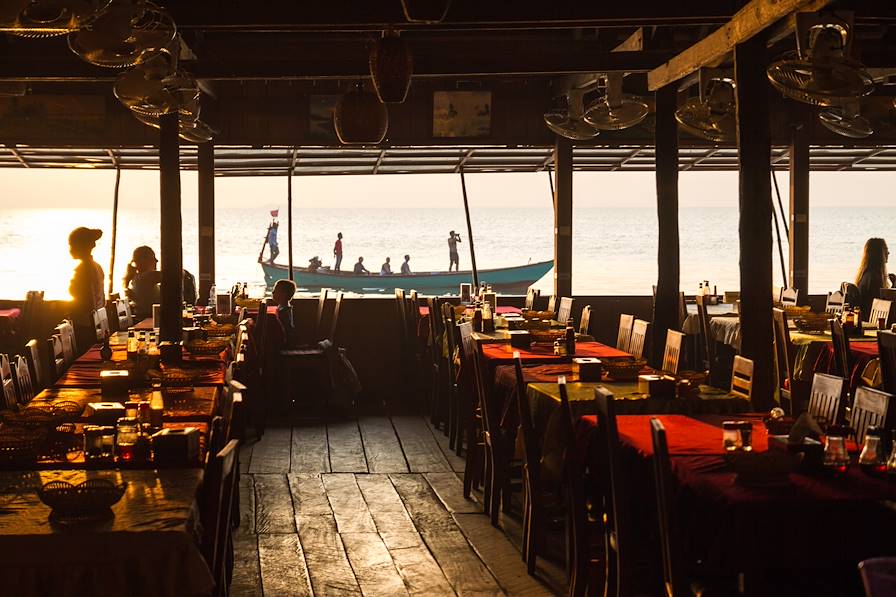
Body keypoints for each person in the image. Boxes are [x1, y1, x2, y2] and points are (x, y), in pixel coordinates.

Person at [124, 246, 198, 319]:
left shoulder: (139, 278)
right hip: (149, 319)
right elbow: (174, 274)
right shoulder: (146, 277)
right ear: (143, 260)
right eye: (153, 257)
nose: (157, 260)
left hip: (149, 317)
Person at [69, 227, 105, 347]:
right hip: (96, 322)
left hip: (85, 327)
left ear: (81, 246)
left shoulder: (83, 270)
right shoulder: (97, 267)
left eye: (72, 245)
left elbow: (86, 300)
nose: (70, 249)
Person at [854, 238, 893, 315]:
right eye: (885, 250)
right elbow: (881, 305)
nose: (888, 253)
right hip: (872, 318)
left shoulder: (866, 275)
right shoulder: (874, 278)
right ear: (879, 254)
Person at [272, 278, 297, 347]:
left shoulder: (283, 311)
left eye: (275, 290)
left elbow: (284, 331)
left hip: (285, 342)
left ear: (283, 294)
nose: (272, 292)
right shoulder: (282, 306)